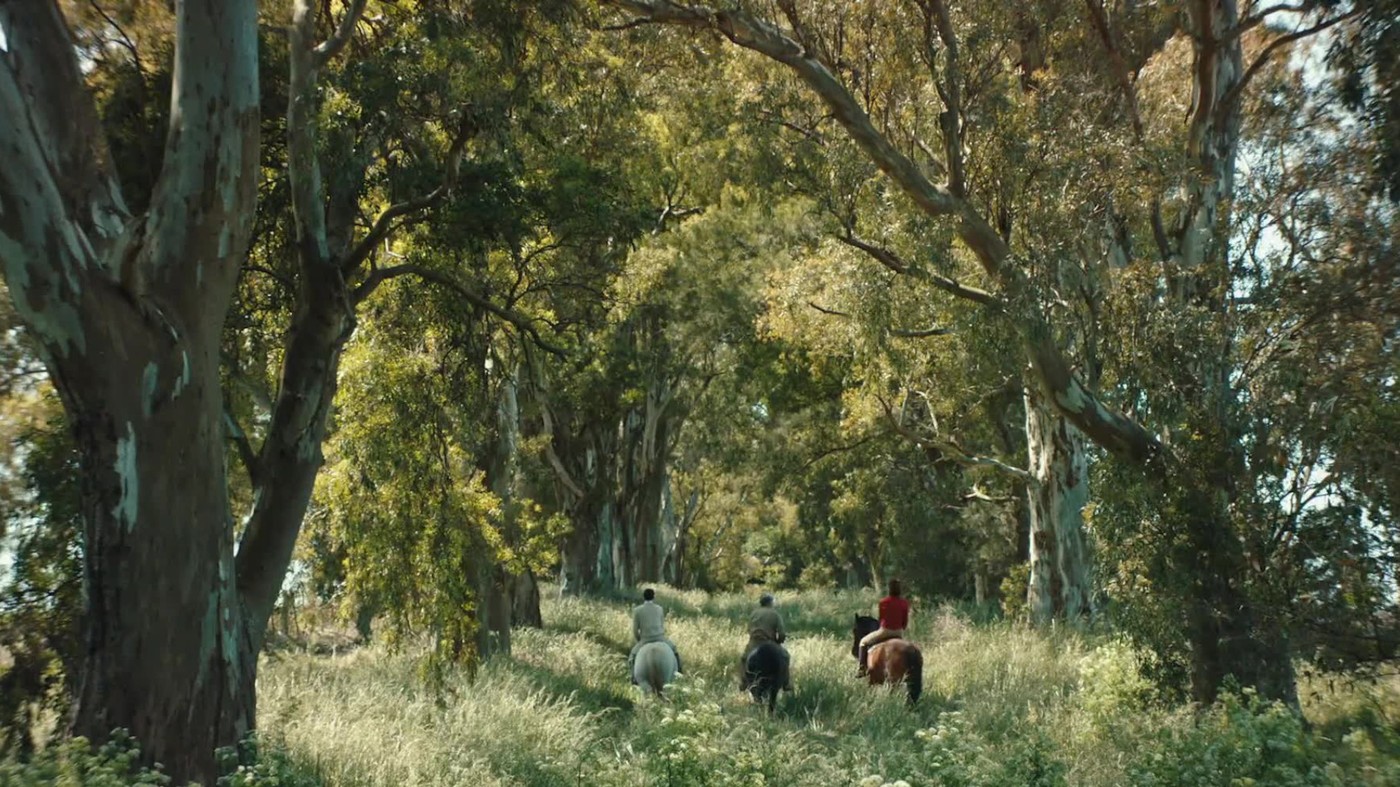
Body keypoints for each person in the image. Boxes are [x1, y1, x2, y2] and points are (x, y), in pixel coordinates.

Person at [856, 579, 910, 678]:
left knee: (863, 642)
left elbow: (881, 619)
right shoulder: (904, 603)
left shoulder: (883, 602)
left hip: (885, 631)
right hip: (899, 632)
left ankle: (861, 669)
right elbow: (905, 622)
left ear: (889, 589)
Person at [628, 588, 681, 683]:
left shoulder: (637, 610)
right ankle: (679, 672)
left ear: (643, 597)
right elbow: (662, 626)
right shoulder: (659, 609)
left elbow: (635, 631)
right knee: (674, 650)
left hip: (645, 640)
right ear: (653, 597)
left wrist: (639, 640)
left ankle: (633, 678)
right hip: (660, 638)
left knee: (632, 656)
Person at [742, 593, 792, 691]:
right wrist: (778, 641)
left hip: (754, 643)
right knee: (786, 657)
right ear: (770, 603)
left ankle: (744, 682)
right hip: (769, 642)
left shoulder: (754, 613)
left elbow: (749, 629)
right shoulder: (775, 614)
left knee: (744, 659)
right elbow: (781, 634)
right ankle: (786, 683)